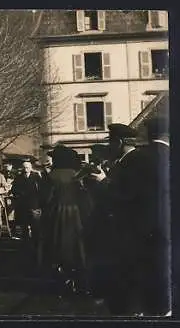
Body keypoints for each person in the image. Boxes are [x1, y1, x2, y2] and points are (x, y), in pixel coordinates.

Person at [90, 123, 144, 315]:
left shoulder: (135, 161)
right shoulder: (123, 160)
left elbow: (128, 195)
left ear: (119, 142)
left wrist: (103, 182)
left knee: (127, 276)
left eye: (111, 142)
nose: (109, 147)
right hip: (118, 227)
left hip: (128, 228)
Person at [133, 116, 171, 316]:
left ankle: (153, 308)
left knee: (149, 267)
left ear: (148, 133)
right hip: (170, 223)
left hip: (143, 224)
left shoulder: (137, 157)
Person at [40, 145, 87, 291]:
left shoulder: (52, 175)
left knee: (57, 244)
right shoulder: (76, 174)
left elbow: (46, 198)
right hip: (76, 213)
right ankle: (78, 278)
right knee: (76, 246)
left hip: (56, 213)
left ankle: (62, 277)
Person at [11, 161, 42, 246]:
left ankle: (35, 241)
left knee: (34, 224)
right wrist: (19, 194)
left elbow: (41, 190)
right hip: (23, 205)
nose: (25, 169)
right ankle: (25, 242)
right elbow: (14, 190)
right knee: (24, 224)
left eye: (27, 167)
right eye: (24, 168)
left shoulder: (36, 177)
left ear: (31, 168)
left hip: (34, 204)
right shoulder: (18, 178)